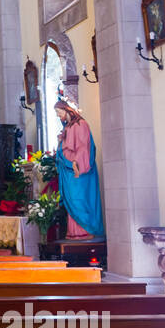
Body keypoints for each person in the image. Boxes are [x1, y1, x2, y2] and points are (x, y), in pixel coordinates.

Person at [54, 98, 104, 239]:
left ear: (66, 109)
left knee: (79, 199)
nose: (58, 115)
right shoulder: (68, 127)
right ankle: (74, 232)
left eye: (58, 112)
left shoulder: (81, 125)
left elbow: (83, 147)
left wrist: (76, 164)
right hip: (68, 172)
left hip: (78, 172)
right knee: (72, 201)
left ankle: (85, 230)